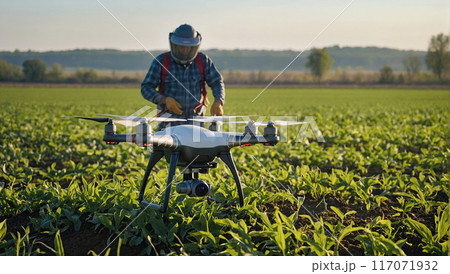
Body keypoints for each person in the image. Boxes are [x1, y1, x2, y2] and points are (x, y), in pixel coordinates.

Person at [141, 24, 225, 130]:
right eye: (182, 47)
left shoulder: (203, 61)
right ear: (174, 45)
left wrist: (218, 101)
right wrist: (163, 99)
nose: (185, 50)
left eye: (189, 47)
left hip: (196, 127)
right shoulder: (161, 61)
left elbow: (217, 82)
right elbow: (146, 88)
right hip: (167, 128)